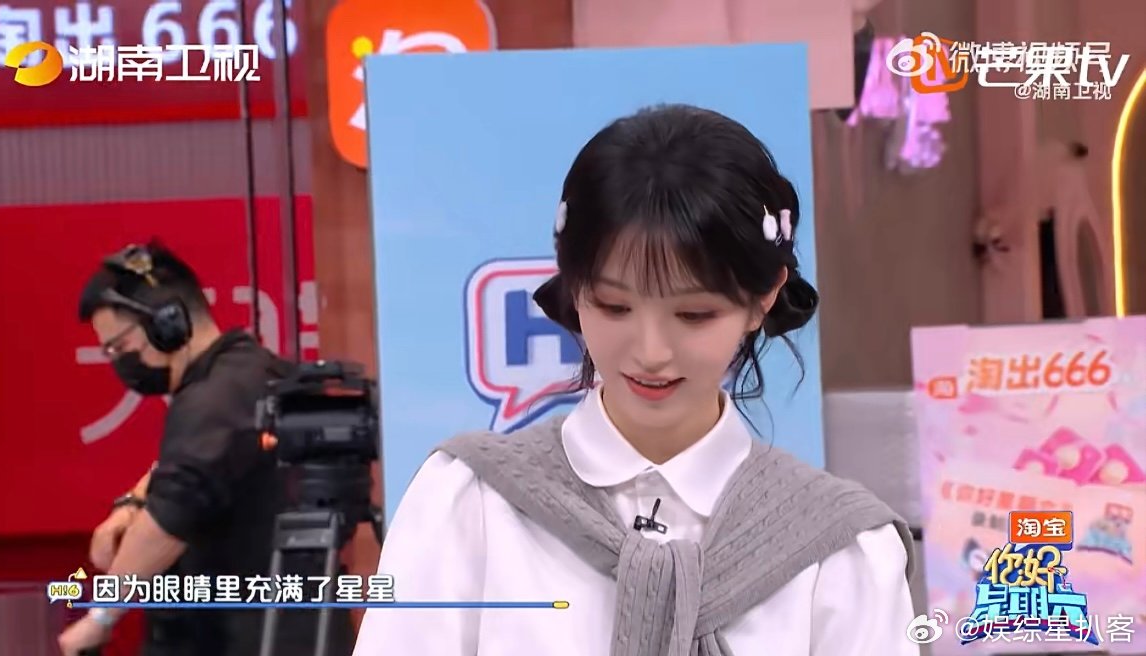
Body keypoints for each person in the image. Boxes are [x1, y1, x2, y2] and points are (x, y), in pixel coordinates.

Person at [352, 105, 918, 655]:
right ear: (574, 289)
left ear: (764, 297)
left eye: (693, 315)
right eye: (614, 307)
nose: (650, 353)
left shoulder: (837, 548)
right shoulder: (472, 503)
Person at [58, 241, 351, 656]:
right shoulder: (250, 371)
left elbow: (170, 520)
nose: (117, 362)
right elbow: (191, 468)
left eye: (120, 347)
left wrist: (100, 617)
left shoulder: (212, 400)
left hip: (250, 638)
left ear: (166, 323)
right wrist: (132, 503)